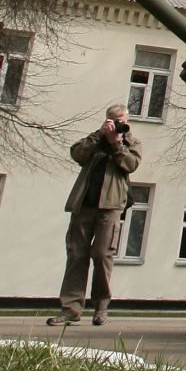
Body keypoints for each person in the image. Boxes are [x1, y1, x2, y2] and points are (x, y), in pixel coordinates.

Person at [47, 103, 142, 326]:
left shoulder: (131, 142)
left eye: (122, 120)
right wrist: (99, 135)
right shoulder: (95, 140)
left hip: (110, 207)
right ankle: (70, 309)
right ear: (107, 120)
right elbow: (77, 153)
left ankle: (100, 307)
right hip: (84, 205)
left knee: (102, 255)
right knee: (76, 254)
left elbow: (131, 164)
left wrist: (116, 143)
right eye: (114, 120)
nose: (119, 124)